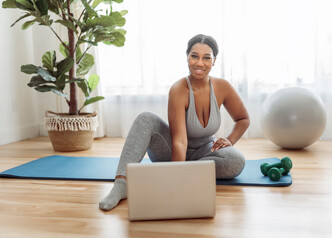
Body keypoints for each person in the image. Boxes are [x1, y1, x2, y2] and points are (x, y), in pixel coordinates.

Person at [99, 34, 250, 211]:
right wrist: (176, 181)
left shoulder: (222, 87)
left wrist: (230, 140)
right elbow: (179, 140)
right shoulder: (179, 89)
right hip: (171, 150)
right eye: (194, 56)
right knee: (146, 118)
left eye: (206, 58)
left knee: (236, 160)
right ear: (187, 57)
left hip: (204, 152)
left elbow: (243, 119)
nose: (199, 63)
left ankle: (179, 172)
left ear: (214, 61)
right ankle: (121, 184)